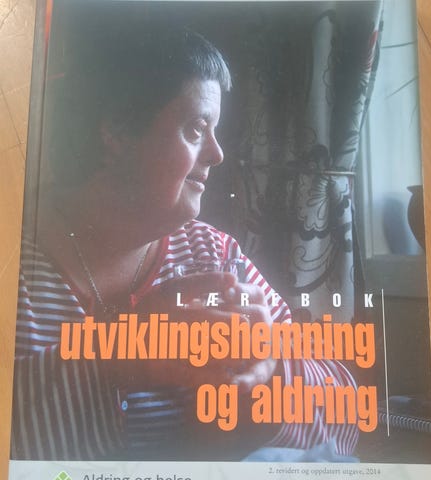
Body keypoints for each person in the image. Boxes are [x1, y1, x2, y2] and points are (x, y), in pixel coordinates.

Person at [12, 9, 358, 461]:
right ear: (117, 130)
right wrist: (119, 357)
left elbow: (347, 414)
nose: (217, 153)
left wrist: (272, 374)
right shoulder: (14, 261)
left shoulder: (215, 255)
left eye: (215, 131)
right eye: (197, 128)